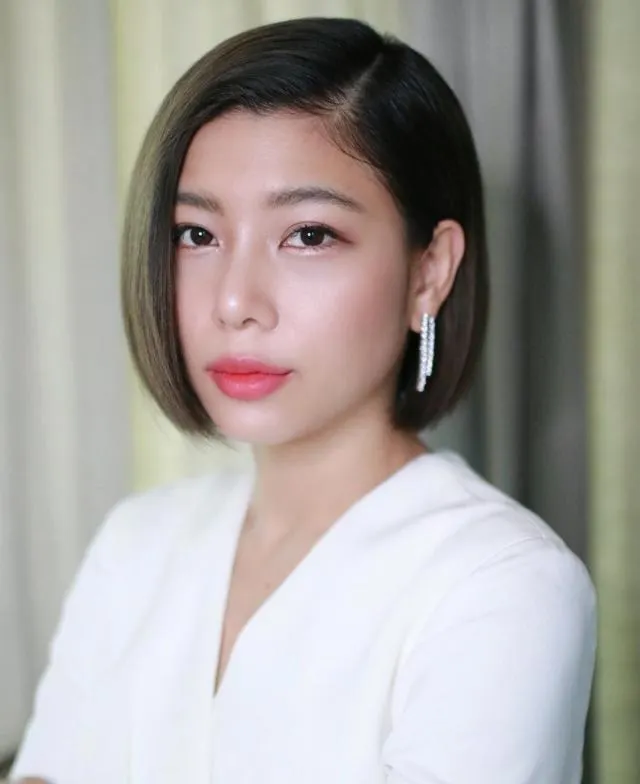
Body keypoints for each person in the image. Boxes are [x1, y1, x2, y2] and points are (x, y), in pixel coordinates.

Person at [9, 16, 596, 784]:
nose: (235, 302)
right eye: (197, 235)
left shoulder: (502, 584)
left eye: (309, 236)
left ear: (429, 271)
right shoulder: (138, 544)